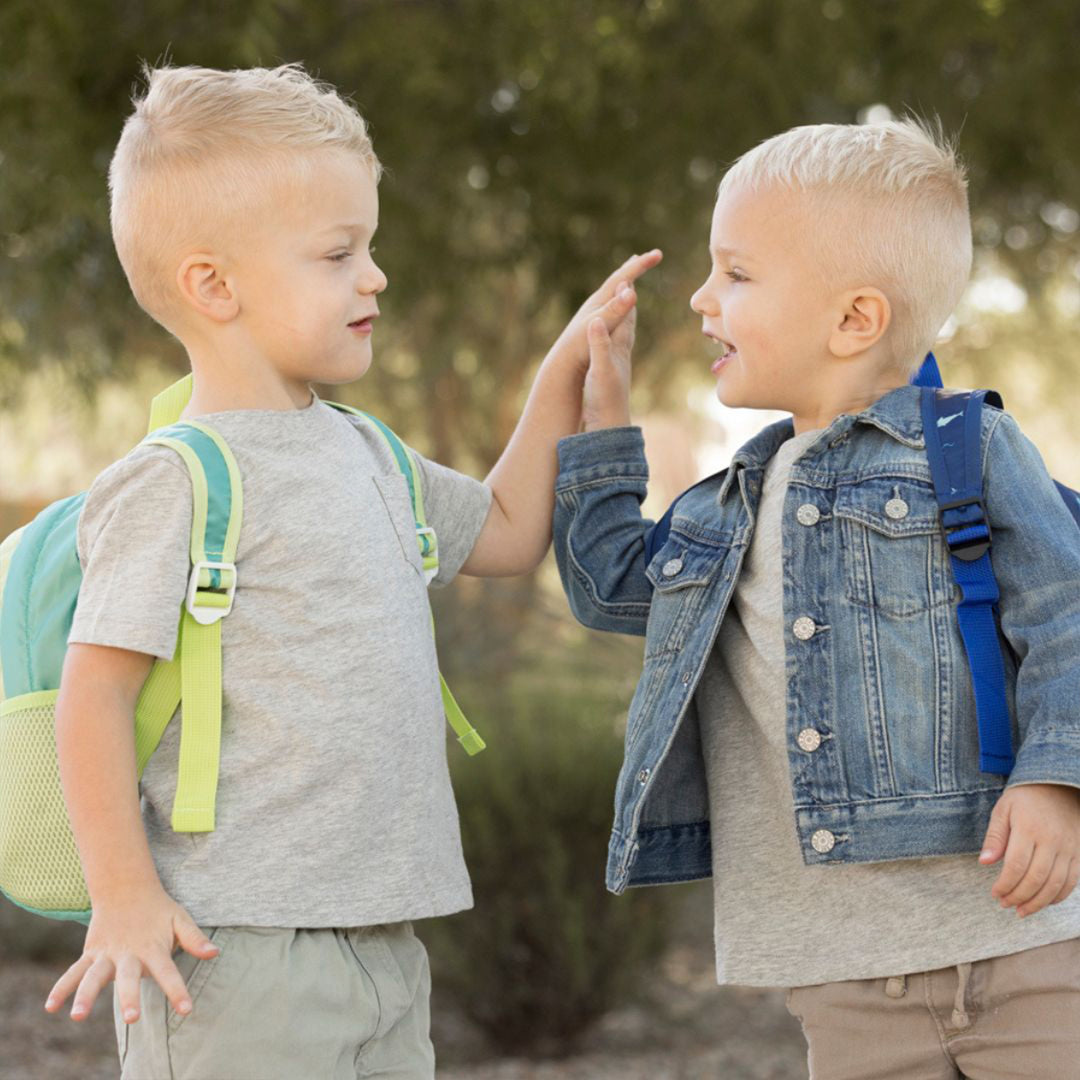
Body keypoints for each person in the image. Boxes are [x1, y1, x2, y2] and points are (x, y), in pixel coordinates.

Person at [41, 60, 660, 1079]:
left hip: (384, 942)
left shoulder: (366, 449)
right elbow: (93, 697)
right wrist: (125, 897)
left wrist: (565, 369)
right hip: (235, 950)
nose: (373, 275)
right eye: (338, 253)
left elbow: (505, 530)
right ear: (214, 285)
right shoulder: (177, 481)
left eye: (368, 247)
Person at [553, 115, 1080, 1077]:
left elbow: (1068, 617)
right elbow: (611, 588)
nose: (703, 300)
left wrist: (1056, 777)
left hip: (1028, 946)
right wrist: (602, 423)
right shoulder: (727, 505)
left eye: (737, 274)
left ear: (854, 319)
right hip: (840, 977)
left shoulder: (967, 449)